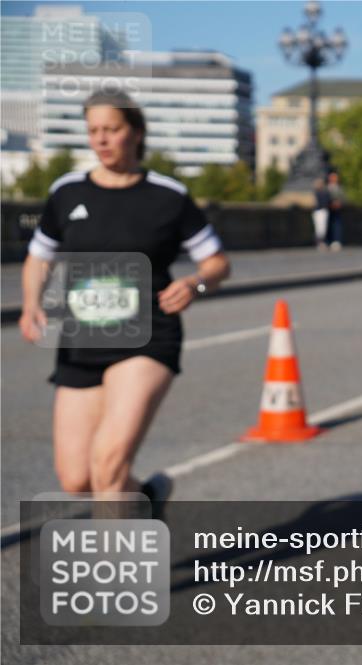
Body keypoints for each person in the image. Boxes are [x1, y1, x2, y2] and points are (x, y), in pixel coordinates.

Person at [18, 90, 230, 505]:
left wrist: (194, 284)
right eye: (93, 130)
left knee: (108, 466)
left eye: (111, 129)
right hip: (82, 341)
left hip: (148, 336)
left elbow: (218, 263)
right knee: (77, 480)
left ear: (135, 132)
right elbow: (38, 256)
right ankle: (146, 500)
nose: (100, 139)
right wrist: (30, 304)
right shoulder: (67, 192)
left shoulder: (168, 196)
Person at [326, 169, 345, 251]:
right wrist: (330, 204)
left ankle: (336, 241)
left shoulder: (340, 188)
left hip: (337, 210)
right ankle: (328, 241)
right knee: (328, 226)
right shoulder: (327, 187)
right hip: (329, 209)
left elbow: (344, 198)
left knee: (337, 225)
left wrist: (339, 203)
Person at [312, 178, 331, 250]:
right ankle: (319, 242)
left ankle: (321, 242)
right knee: (319, 228)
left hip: (322, 210)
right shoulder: (318, 192)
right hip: (319, 211)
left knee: (322, 228)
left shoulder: (324, 192)